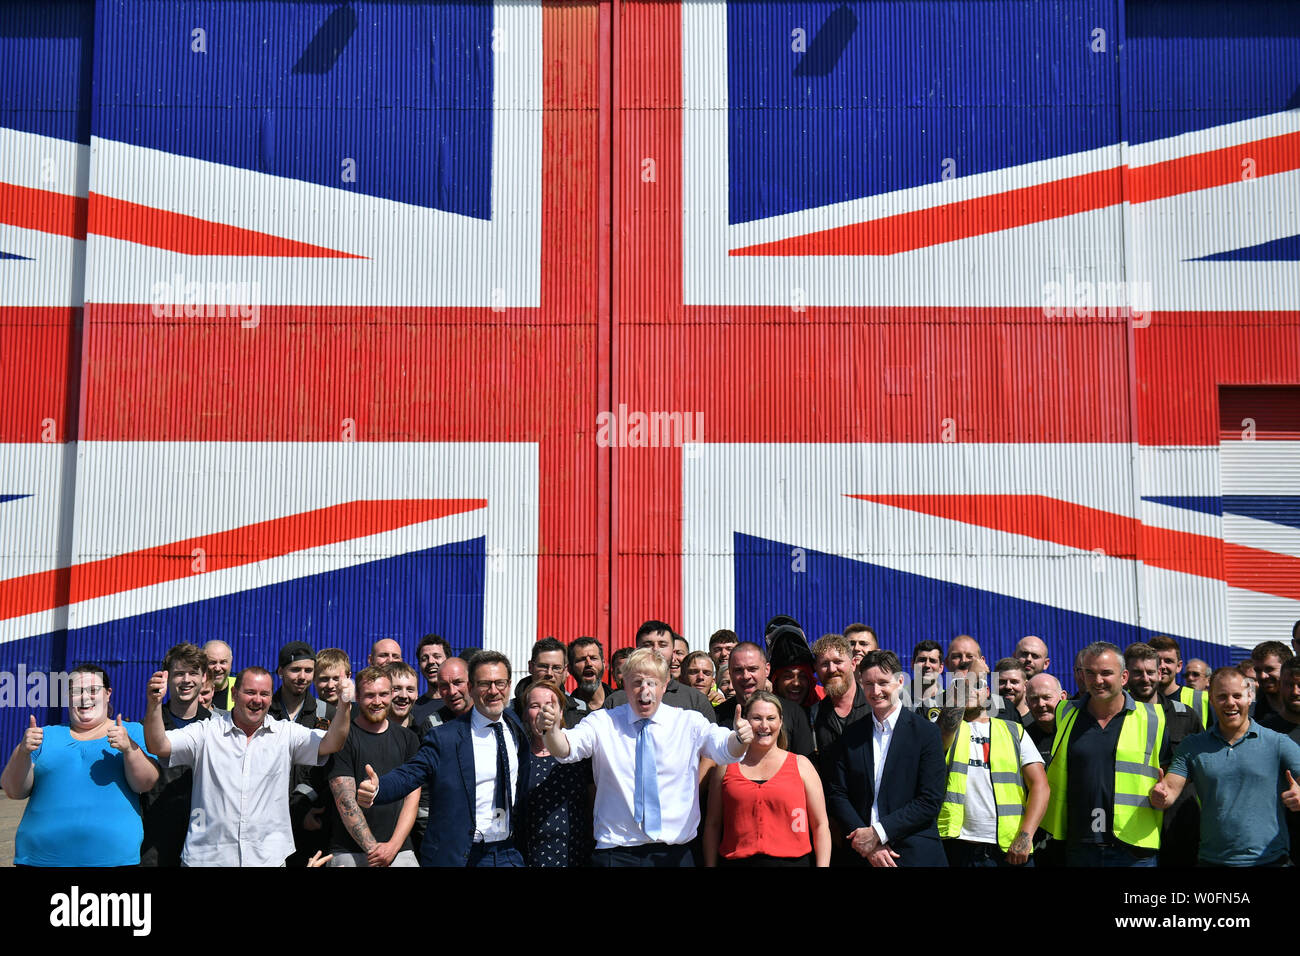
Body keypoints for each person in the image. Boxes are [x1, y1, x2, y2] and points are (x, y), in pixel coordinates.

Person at [538, 648, 751, 866]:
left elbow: (724, 748)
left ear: (664, 685)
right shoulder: (603, 722)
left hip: (675, 855)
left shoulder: (689, 723)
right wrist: (552, 731)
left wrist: (740, 740)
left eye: (652, 683)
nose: (644, 690)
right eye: (637, 682)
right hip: (616, 853)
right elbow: (566, 748)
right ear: (625, 684)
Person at [143, 665, 354, 866]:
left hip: (267, 860)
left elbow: (332, 742)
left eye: (264, 694)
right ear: (234, 694)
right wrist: (154, 704)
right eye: (250, 692)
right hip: (207, 858)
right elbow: (158, 745)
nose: (257, 700)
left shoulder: (285, 734)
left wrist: (344, 705)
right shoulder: (206, 732)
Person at [358, 651, 531, 867]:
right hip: (462, 854)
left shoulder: (515, 725)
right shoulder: (445, 737)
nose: (493, 691)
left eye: (500, 683)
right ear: (472, 687)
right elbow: (411, 773)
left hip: (507, 851)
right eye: (485, 684)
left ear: (509, 684)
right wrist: (378, 788)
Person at [3, 665, 159, 866]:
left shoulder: (131, 732)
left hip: (113, 860)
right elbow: (13, 791)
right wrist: (23, 752)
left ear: (108, 693)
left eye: (93, 690)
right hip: (39, 859)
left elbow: (146, 784)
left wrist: (129, 749)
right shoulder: (41, 736)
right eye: (77, 691)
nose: (85, 697)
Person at [1152, 667, 1300, 866]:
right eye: (1222, 697)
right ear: (1211, 700)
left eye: (1237, 696)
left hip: (1271, 860)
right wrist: (1159, 795)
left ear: (1249, 697)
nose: (1230, 703)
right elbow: (1168, 790)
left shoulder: (1277, 743)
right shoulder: (1193, 746)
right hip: (1213, 861)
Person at [1041, 642, 1170, 867]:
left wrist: (1165, 791)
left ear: (1124, 677)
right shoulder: (1065, 713)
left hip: (1133, 848)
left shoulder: (1153, 718)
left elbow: (1170, 774)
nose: (1097, 680)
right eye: (1090, 672)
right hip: (1080, 845)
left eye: (1106, 673)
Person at [824, 649, 947, 867]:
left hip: (913, 853)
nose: (876, 690)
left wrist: (878, 833)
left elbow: (930, 799)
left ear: (900, 681)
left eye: (883, 682)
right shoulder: (851, 735)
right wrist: (867, 842)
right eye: (869, 683)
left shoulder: (926, 733)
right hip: (861, 855)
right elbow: (838, 793)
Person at [702, 690, 831, 867]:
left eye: (771, 718)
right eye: (757, 718)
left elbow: (820, 825)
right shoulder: (725, 766)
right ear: (745, 721)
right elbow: (713, 824)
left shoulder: (802, 765)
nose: (764, 725)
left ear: (781, 722)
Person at [937, 668, 1048, 867]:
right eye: (962, 687)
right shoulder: (941, 729)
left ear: (987, 692)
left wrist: (1025, 836)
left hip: (1009, 849)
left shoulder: (1014, 730)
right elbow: (945, 729)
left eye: (977, 685)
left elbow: (1040, 786)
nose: (970, 690)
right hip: (958, 848)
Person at [325, 666, 421, 866]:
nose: (377, 702)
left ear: (392, 694)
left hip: (399, 851)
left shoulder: (409, 739)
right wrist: (374, 851)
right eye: (370, 695)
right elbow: (345, 801)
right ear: (357, 697)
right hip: (350, 852)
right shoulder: (343, 738)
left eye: (383, 694)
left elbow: (412, 799)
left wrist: (392, 847)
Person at [141, 643, 212, 866]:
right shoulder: (146, 727)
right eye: (179, 674)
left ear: (204, 678)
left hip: (203, 836)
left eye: (193, 673)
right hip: (155, 837)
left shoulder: (217, 728)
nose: (186, 680)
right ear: (167, 677)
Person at [520, 680, 594, 867]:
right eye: (535, 706)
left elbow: (593, 805)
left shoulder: (579, 755)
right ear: (525, 713)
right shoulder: (518, 758)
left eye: (550, 706)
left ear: (561, 712)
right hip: (532, 857)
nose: (543, 712)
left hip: (577, 855)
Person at [603, 621, 716, 723]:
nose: (655, 650)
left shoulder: (695, 700)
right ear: (637, 650)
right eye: (647, 645)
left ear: (673, 651)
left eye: (663, 645)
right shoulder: (616, 701)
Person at [715, 642, 816, 756]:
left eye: (752, 669)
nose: (746, 676)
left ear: (767, 669)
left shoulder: (794, 713)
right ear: (730, 672)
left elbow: (806, 764)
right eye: (738, 670)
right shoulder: (716, 716)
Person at [810, 633, 871, 759]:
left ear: (853, 664)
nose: (832, 669)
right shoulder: (813, 715)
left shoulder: (875, 708)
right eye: (825, 664)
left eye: (838, 662)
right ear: (816, 668)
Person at [1148, 635, 1211, 727]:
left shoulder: (1203, 700)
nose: (1162, 666)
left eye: (1168, 661)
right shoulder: (1132, 699)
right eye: (1157, 661)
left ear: (1179, 666)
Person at [511, 637, 570, 717]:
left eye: (556, 668)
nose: (549, 673)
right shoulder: (508, 713)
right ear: (530, 667)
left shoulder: (580, 711)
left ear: (565, 670)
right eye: (543, 666)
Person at [769, 626, 820, 712]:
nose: (796, 683)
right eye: (788, 676)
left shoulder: (825, 706)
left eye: (803, 676)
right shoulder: (763, 712)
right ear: (776, 682)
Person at [568, 636, 612, 719]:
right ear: (570, 669)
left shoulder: (622, 703)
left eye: (593, 658)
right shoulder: (565, 712)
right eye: (581, 659)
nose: (589, 664)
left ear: (603, 664)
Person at [1024, 673, 1065, 762]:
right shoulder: (1024, 739)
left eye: (1046, 697)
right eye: (1034, 698)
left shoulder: (1079, 732)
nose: (1041, 704)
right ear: (1027, 701)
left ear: (1063, 697)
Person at [1250, 641, 1293, 724]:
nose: (1263, 676)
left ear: (1288, 669)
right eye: (1258, 671)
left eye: (1269, 669)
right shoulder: (1250, 708)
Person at [909, 640, 945, 717]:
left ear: (941, 668)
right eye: (922, 660)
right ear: (912, 664)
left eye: (932, 661)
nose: (927, 665)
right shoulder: (899, 699)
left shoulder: (948, 702)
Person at [995, 658, 1033, 726]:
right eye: (1002, 682)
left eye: (1014, 682)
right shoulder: (986, 719)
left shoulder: (1036, 720)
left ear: (1025, 685)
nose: (1008, 687)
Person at [384, 661, 420, 731]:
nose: (404, 696)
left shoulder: (422, 732)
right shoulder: (370, 730)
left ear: (417, 694)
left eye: (410, 690)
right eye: (396, 689)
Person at [415, 633, 452, 703]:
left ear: (448, 661)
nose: (430, 661)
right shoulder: (413, 709)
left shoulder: (461, 706)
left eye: (437, 656)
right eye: (424, 658)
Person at [203, 640, 234, 711]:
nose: (217, 668)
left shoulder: (240, 689)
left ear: (231, 662)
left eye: (223, 662)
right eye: (212, 662)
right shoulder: (194, 690)